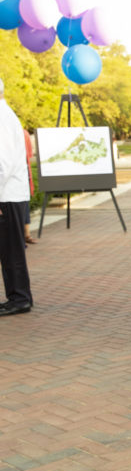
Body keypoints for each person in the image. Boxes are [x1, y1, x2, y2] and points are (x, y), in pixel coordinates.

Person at [0, 78, 33, 316]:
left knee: (11, 250)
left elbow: (4, 162)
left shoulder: (2, 117)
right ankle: (18, 296)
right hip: (8, 192)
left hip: (6, 194)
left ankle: (20, 297)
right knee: (9, 249)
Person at [23, 129, 37, 244]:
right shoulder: (24, 133)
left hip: (18, 174)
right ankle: (26, 234)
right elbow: (29, 155)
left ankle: (25, 234)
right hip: (24, 172)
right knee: (24, 203)